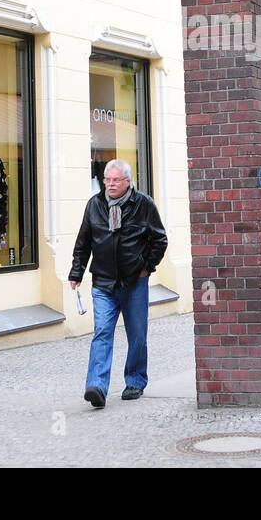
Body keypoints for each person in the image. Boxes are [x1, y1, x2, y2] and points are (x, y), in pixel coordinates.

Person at [69, 158, 168, 408]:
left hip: (134, 282)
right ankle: (97, 387)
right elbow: (84, 242)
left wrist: (146, 266)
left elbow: (160, 240)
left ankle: (135, 381)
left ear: (127, 181)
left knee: (136, 335)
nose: (110, 185)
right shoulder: (95, 205)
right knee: (102, 332)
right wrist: (76, 272)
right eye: (107, 180)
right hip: (103, 283)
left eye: (115, 180)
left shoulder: (143, 205)